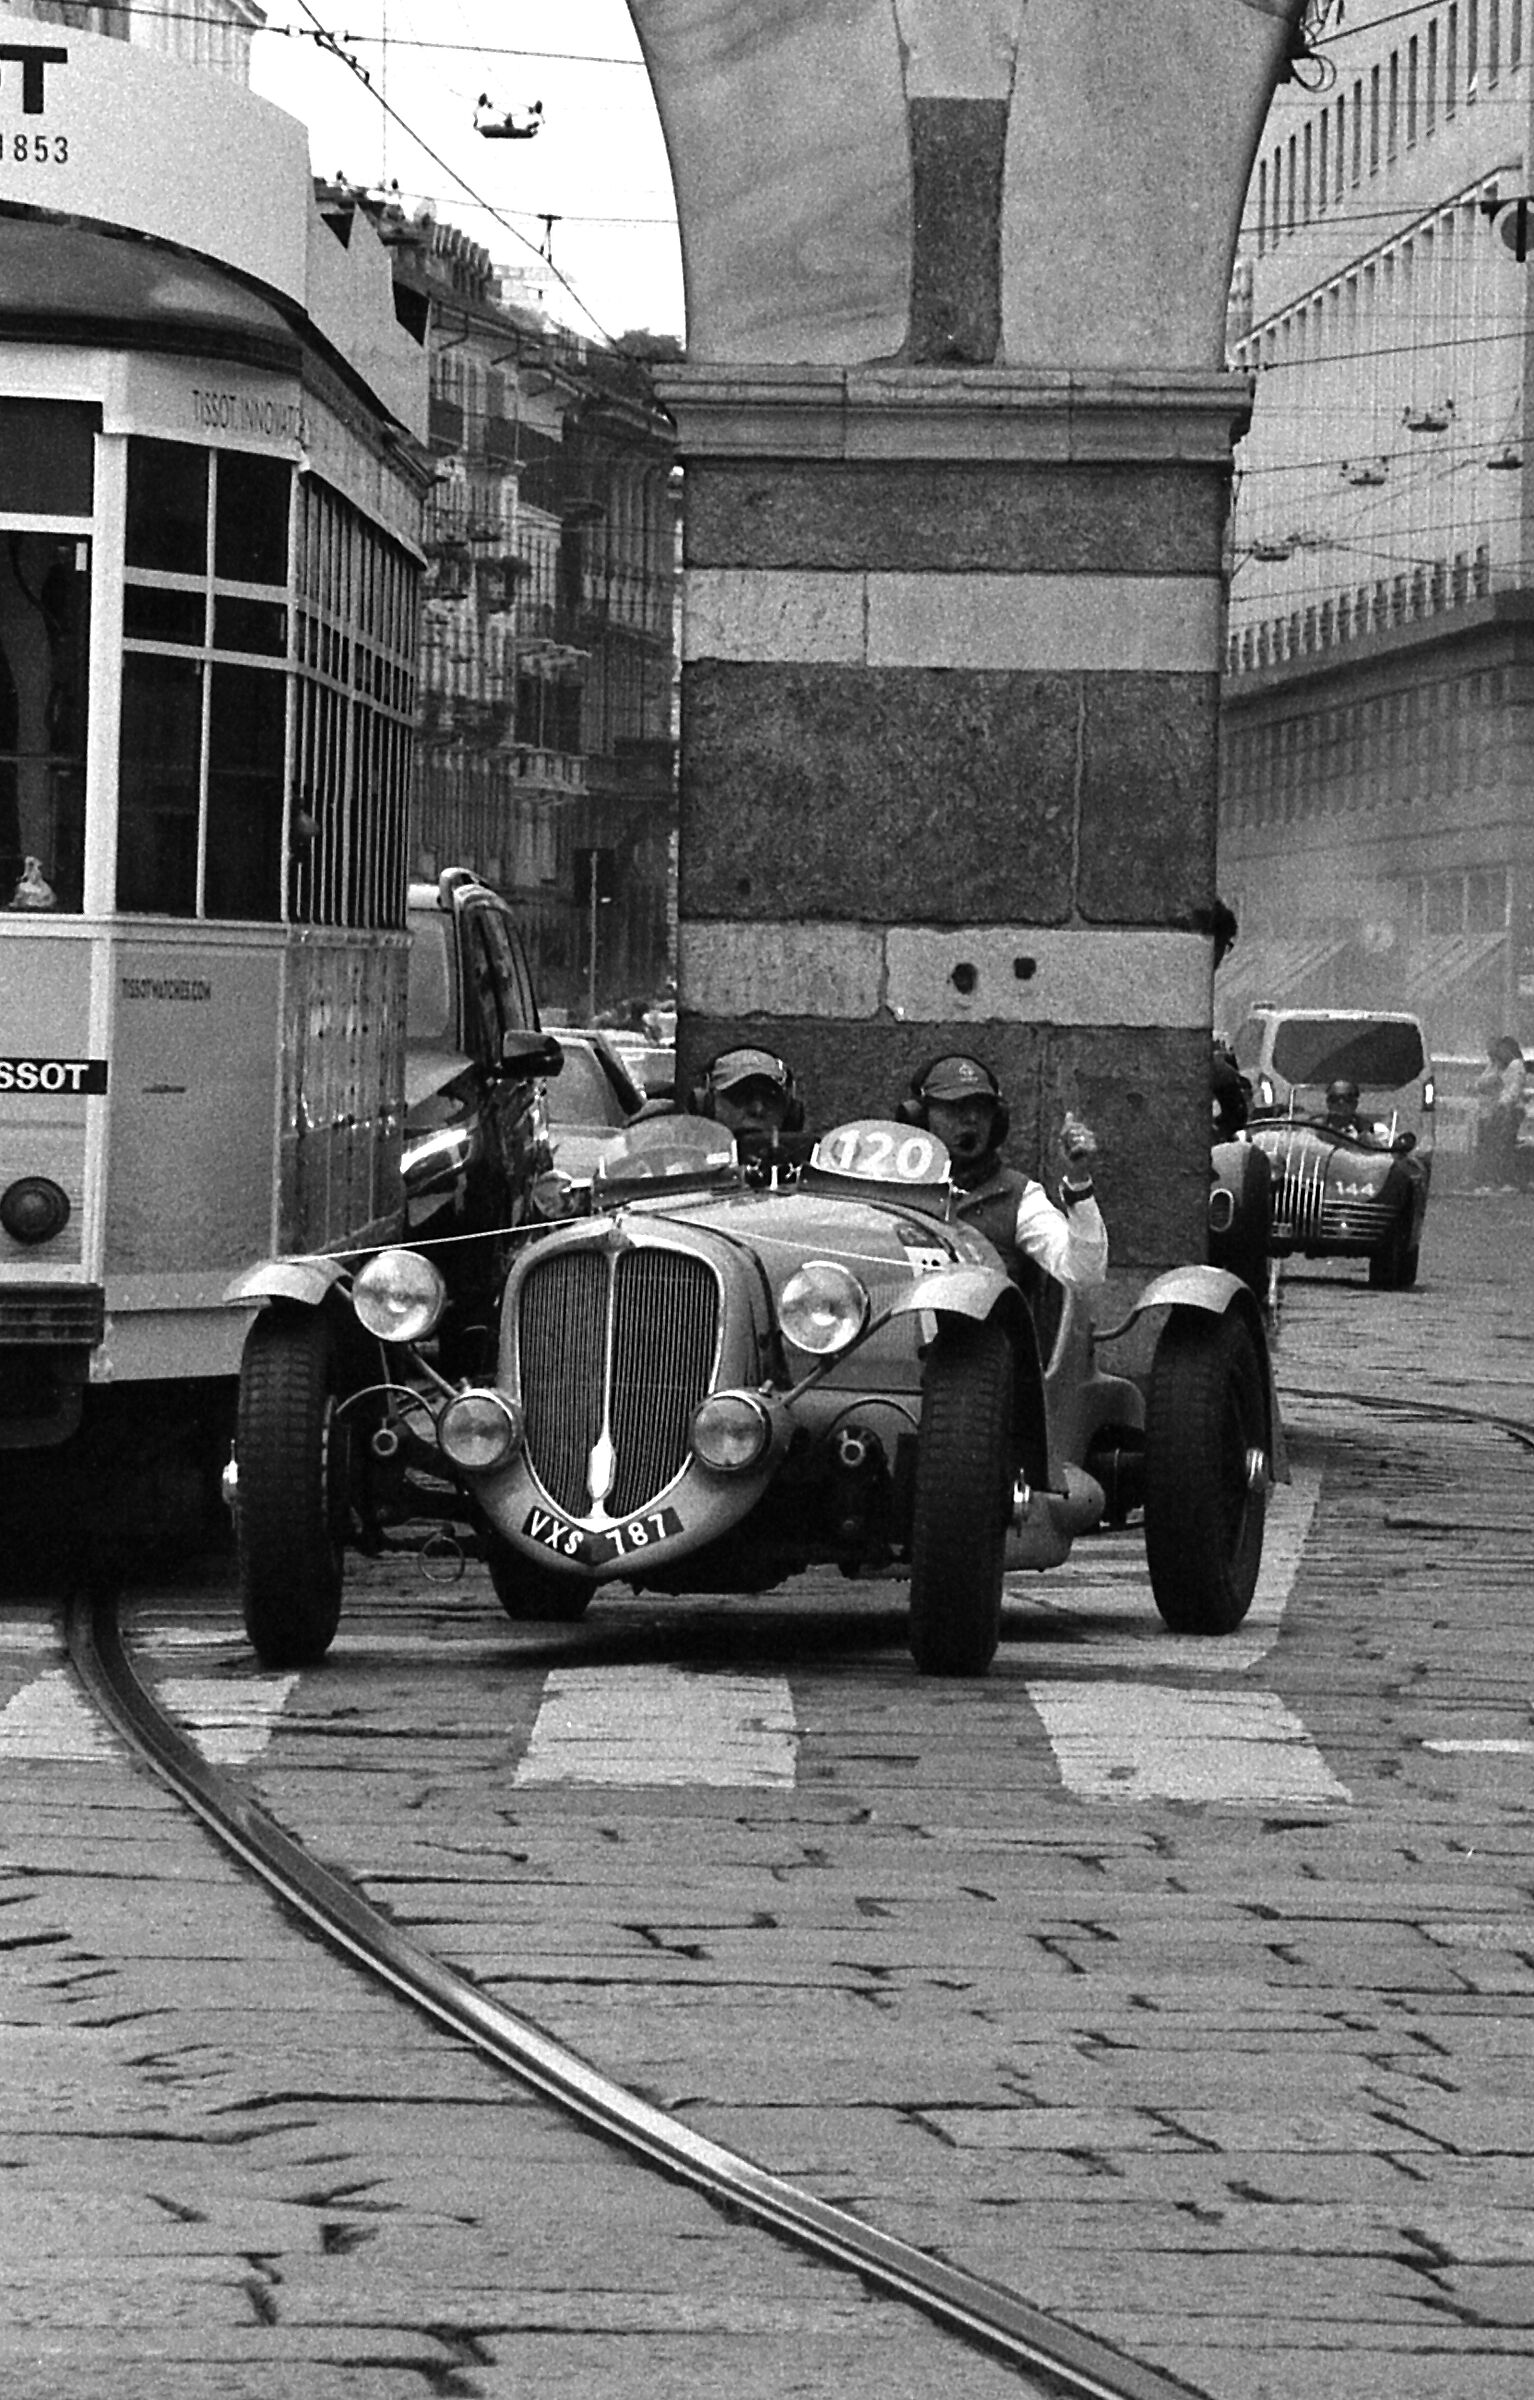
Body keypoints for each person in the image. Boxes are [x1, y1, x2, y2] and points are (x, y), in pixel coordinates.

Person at [897, 1054, 1107, 1290]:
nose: (972, 1118)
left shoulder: (1018, 1195)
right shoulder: (890, 1181)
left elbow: (1082, 1274)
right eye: (955, 1108)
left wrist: (1079, 1181)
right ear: (921, 1118)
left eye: (982, 1109)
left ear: (998, 1121)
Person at [1474, 1035, 1527, 1189]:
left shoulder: (1516, 1066)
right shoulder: (1499, 1065)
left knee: (1504, 1146)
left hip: (1508, 1110)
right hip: (1497, 1109)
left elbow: (1513, 1089)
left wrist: (1503, 1104)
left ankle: (1505, 1180)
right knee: (1497, 1146)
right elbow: (1483, 1083)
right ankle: (1496, 1179)